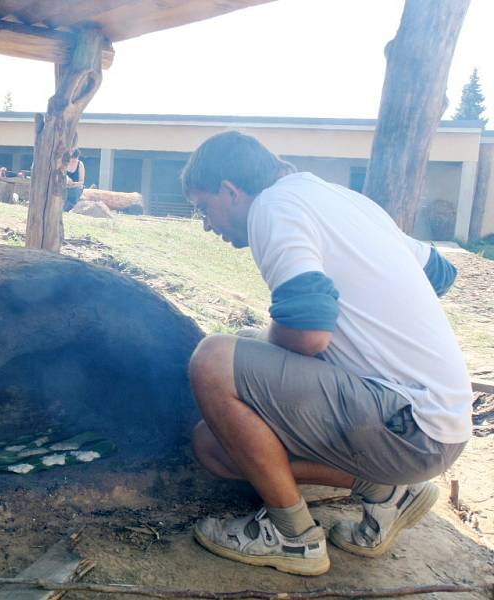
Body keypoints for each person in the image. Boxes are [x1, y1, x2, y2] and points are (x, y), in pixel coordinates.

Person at [181, 131, 471, 576]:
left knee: (213, 359)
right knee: (214, 445)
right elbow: (440, 272)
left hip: (411, 424)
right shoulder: (340, 200)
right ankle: (389, 491)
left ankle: (292, 537)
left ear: (230, 190)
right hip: (437, 422)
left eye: (204, 208)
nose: (206, 224)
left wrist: (266, 341)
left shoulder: (273, 207)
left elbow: (311, 334)